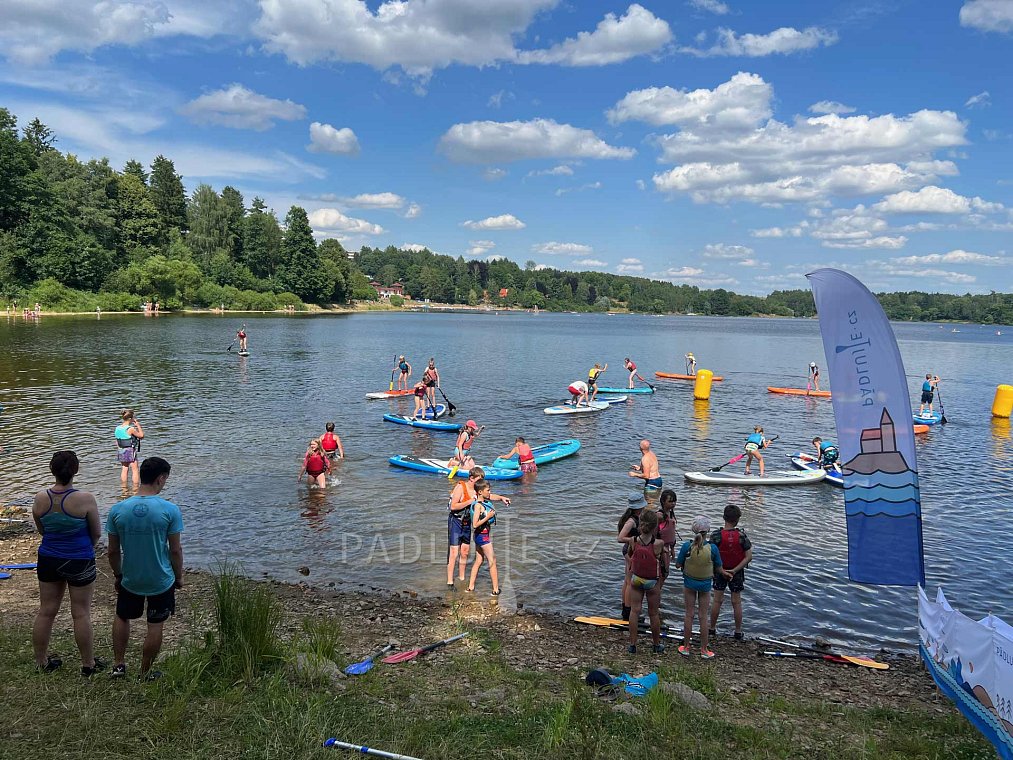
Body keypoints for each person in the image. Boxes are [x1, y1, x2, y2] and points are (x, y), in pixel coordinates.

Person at [107, 457, 183, 679]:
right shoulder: (170, 510)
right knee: (155, 623)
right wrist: (178, 577)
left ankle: (119, 665)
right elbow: (175, 551)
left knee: (122, 616)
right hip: (160, 578)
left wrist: (118, 575)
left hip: (130, 577)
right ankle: (145, 672)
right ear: (161, 478)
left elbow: (112, 551)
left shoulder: (118, 509)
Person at [31, 451, 104, 676]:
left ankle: (42, 661)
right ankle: (88, 664)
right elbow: (96, 533)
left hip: (49, 558)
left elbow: (42, 529)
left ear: (52, 470)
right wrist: (85, 548)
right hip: (79, 558)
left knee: (46, 611)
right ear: (75, 470)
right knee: (81, 613)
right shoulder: (85, 499)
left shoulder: (40, 497)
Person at [447, 467, 510, 588]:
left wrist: (501, 498)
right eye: (479, 480)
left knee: (465, 552)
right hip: (456, 521)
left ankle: (462, 578)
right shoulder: (461, 487)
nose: (481, 483)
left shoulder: (478, 489)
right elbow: (453, 507)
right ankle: (450, 582)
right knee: (454, 552)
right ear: (471, 478)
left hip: (467, 523)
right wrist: (470, 501)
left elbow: (489, 496)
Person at [675, 516, 721, 659]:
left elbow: (678, 564)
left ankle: (686, 647)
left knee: (689, 614)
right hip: (705, 585)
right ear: (708, 530)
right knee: (703, 617)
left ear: (693, 529)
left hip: (689, 583)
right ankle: (704, 650)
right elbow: (719, 567)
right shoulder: (712, 548)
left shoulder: (686, 546)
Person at [709, 504, 752, 640]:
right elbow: (748, 556)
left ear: (723, 517)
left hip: (719, 571)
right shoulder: (741, 536)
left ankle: (711, 628)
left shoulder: (716, 535)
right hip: (736, 572)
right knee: (736, 601)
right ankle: (738, 631)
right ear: (738, 519)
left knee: (717, 600)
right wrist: (734, 570)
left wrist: (721, 570)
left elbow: (711, 556)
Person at [624, 509, 664, 654]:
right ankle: (656, 645)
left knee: (634, 611)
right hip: (652, 581)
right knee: (653, 613)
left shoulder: (633, 540)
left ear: (640, 524)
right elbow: (663, 563)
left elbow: (629, 554)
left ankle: (633, 645)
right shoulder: (658, 543)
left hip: (636, 579)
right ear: (655, 527)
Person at [466, 479, 500, 596]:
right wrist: (488, 516)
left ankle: (470, 587)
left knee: (479, 560)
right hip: (482, 536)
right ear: (480, 492)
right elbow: (475, 524)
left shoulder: (481, 501)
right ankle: (495, 590)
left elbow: (492, 497)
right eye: (488, 490)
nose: (489, 492)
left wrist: (502, 498)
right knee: (492, 561)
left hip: (479, 536)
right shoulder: (478, 506)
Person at [617, 493, 647, 621]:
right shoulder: (631, 521)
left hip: (629, 551)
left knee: (627, 581)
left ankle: (625, 609)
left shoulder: (634, 518)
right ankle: (628, 612)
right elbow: (620, 538)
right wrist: (636, 539)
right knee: (630, 583)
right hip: (630, 551)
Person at [115, 409, 144, 492]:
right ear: (130, 419)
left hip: (121, 449)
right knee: (135, 470)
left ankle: (124, 489)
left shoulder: (117, 428)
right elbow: (141, 436)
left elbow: (117, 440)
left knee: (124, 468)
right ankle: (135, 490)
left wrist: (120, 449)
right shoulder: (130, 429)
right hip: (130, 450)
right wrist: (138, 425)